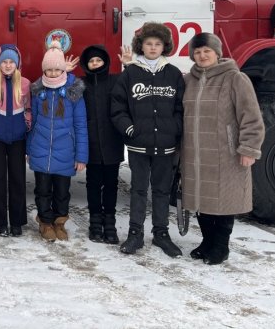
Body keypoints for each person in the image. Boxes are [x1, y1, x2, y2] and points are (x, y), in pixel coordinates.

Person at [181, 33, 265, 265]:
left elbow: (251, 117)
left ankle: (221, 246)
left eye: (207, 51)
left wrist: (248, 148)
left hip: (226, 153)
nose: (202, 55)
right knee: (201, 199)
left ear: (217, 53)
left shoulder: (235, 79)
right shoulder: (189, 80)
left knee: (224, 199)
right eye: (197, 52)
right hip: (195, 153)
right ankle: (207, 241)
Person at [111, 22, 185, 258]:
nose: (153, 48)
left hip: (165, 144)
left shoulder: (173, 73)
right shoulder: (130, 72)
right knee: (139, 190)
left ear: (164, 46)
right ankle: (135, 234)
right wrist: (129, 129)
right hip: (138, 143)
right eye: (148, 43)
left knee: (162, 191)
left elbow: (181, 108)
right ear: (141, 46)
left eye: (157, 44)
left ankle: (161, 233)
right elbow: (117, 107)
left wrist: (174, 129)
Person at [27, 42, 88, 242]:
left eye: (56, 69)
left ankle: (59, 222)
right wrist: (29, 149)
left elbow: (80, 125)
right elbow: (33, 122)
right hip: (41, 149)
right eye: (49, 70)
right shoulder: (38, 91)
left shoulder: (73, 92)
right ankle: (45, 222)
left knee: (62, 192)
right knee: (42, 190)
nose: (52, 74)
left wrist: (81, 156)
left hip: (65, 151)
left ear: (63, 69)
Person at [79, 44, 125, 244]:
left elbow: (133, 87)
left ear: (105, 62)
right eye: (91, 61)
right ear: (86, 64)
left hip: (112, 142)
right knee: (93, 184)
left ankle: (110, 223)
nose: (95, 64)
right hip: (91, 143)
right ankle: (95, 222)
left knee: (111, 185)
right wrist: (63, 70)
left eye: (98, 60)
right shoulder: (80, 84)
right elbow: (67, 92)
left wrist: (130, 66)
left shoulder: (116, 81)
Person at [0, 44, 31, 237]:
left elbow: (29, 108)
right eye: (4, 61)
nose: (7, 65)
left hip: (18, 138)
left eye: (11, 61)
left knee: (18, 180)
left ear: (17, 63)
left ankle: (17, 221)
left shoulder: (26, 83)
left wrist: (26, 125)